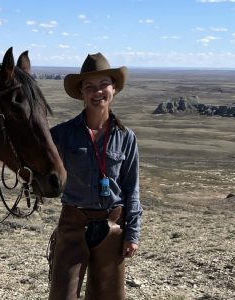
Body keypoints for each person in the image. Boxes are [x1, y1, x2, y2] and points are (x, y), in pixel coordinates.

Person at [48, 53, 141, 300]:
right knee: (62, 295)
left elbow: (132, 188)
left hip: (111, 227)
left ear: (113, 89)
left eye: (103, 85)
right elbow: (33, 156)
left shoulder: (126, 137)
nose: (97, 92)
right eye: (89, 87)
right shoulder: (62, 134)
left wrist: (132, 233)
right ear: (81, 93)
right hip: (72, 225)